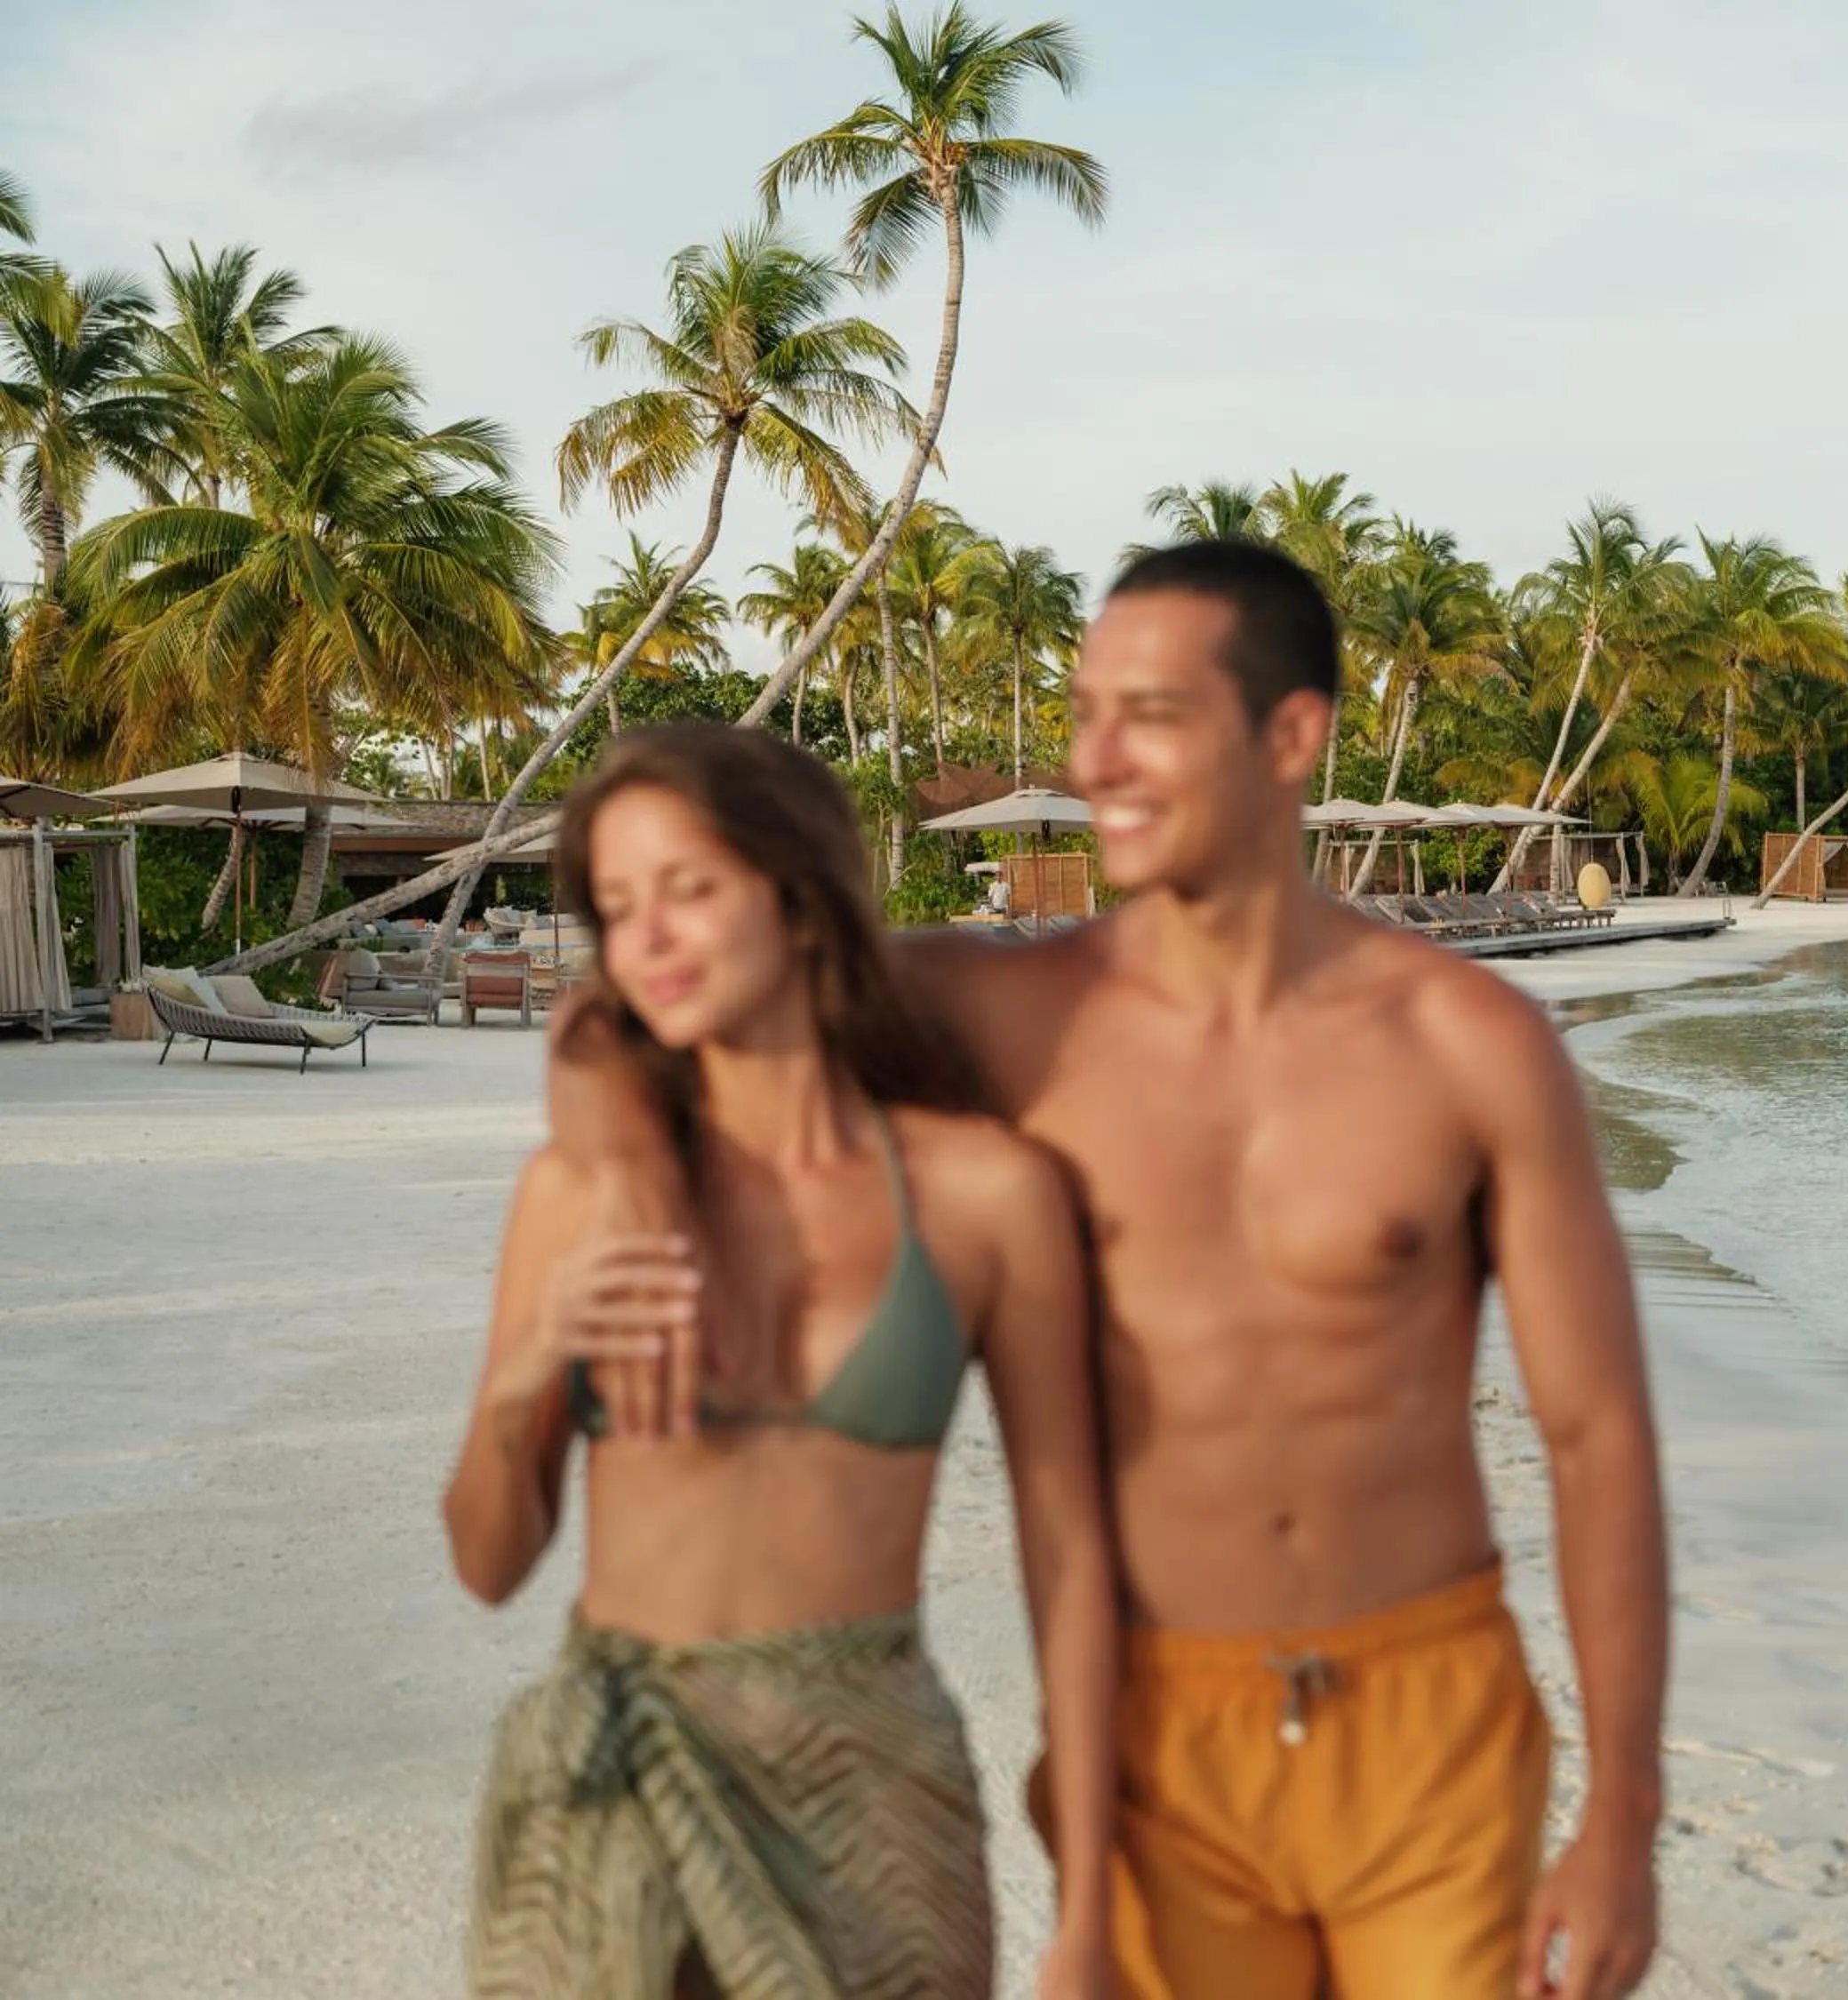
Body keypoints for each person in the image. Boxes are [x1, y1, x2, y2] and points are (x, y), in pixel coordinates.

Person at [552, 543, 1669, 2000]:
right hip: (1159, 1726)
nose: (1096, 759)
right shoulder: (997, 1010)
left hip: (1432, 1715)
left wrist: (1624, 1816)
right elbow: (636, 1009)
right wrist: (629, 1158)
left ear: (1289, 735)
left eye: (1148, 714)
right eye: (1086, 713)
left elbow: (1599, 1439)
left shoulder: (1469, 1045)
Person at [443, 724, 1116, 2000]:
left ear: (801, 898)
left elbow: (1071, 1553)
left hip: (872, 1781)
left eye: (690, 887)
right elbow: (486, 1563)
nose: (647, 937)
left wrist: (1086, 1896)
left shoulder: (983, 1194)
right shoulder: (577, 1193)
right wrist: (533, 1365)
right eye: (618, 905)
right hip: (607, 1776)